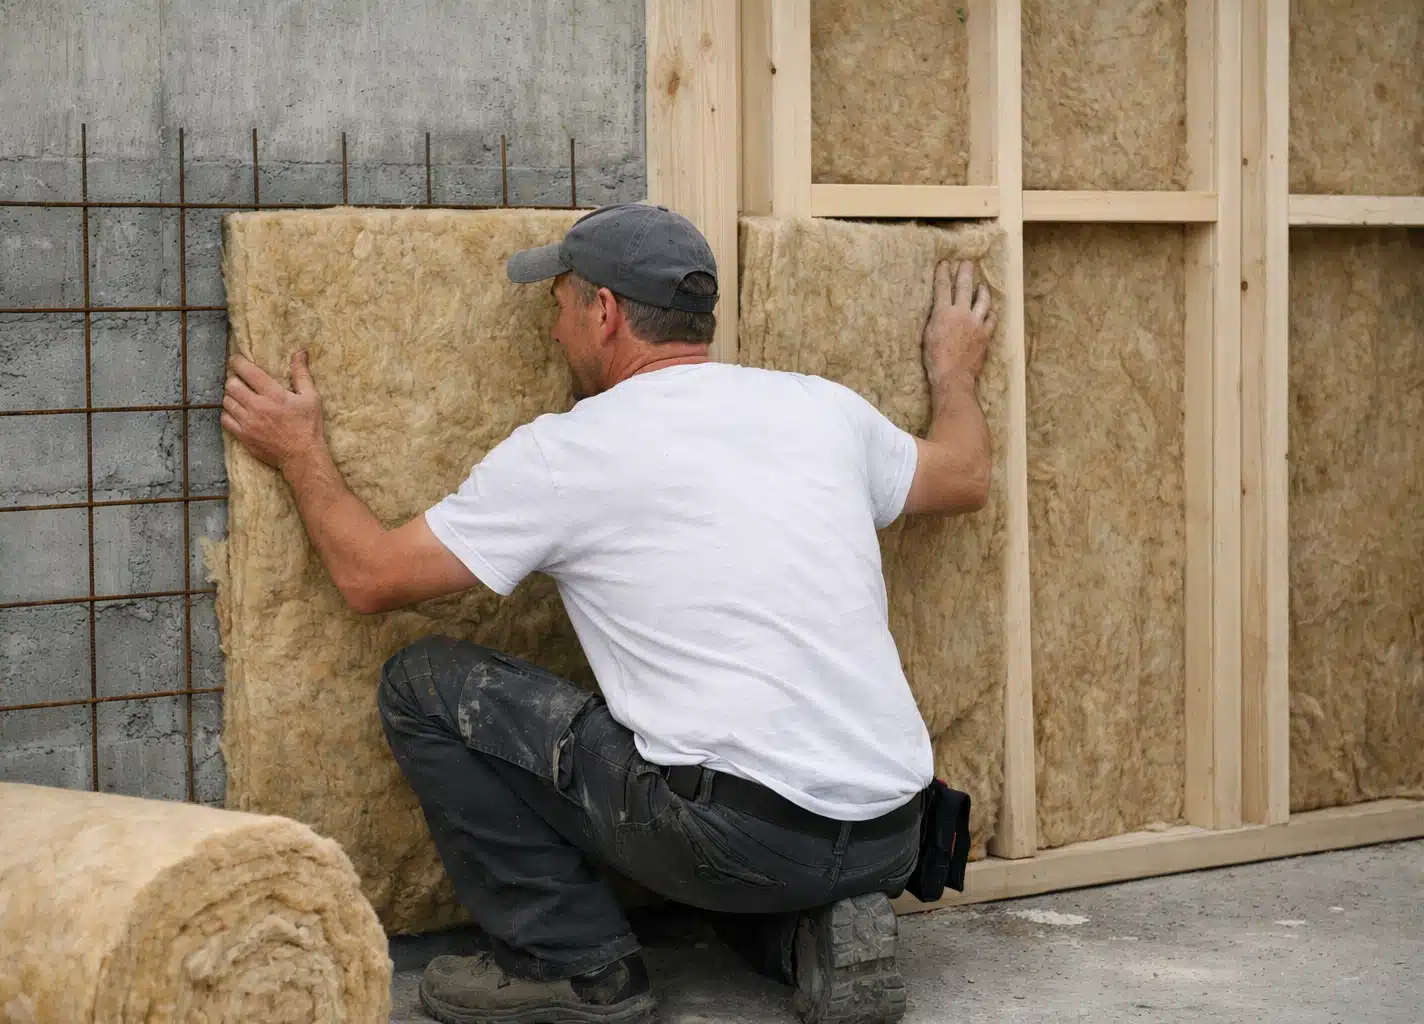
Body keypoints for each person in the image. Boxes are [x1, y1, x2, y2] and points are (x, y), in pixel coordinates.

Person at [220, 202, 995, 1024]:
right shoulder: (821, 409)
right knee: (709, 786)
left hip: (738, 843)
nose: (553, 329)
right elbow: (964, 477)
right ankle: (809, 936)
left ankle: (571, 965)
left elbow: (369, 576)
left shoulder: (568, 453)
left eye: (558, 302)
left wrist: (300, 449)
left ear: (605, 312)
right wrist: (953, 372)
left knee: (424, 684)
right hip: (891, 836)